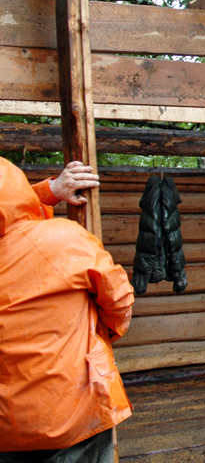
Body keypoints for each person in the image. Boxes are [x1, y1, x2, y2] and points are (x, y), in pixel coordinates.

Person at [0, 159, 134, 462]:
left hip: (6, 427)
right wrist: (103, 335)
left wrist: (49, 191)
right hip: (73, 415)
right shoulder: (65, 239)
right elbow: (120, 298)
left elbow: (8, 212)